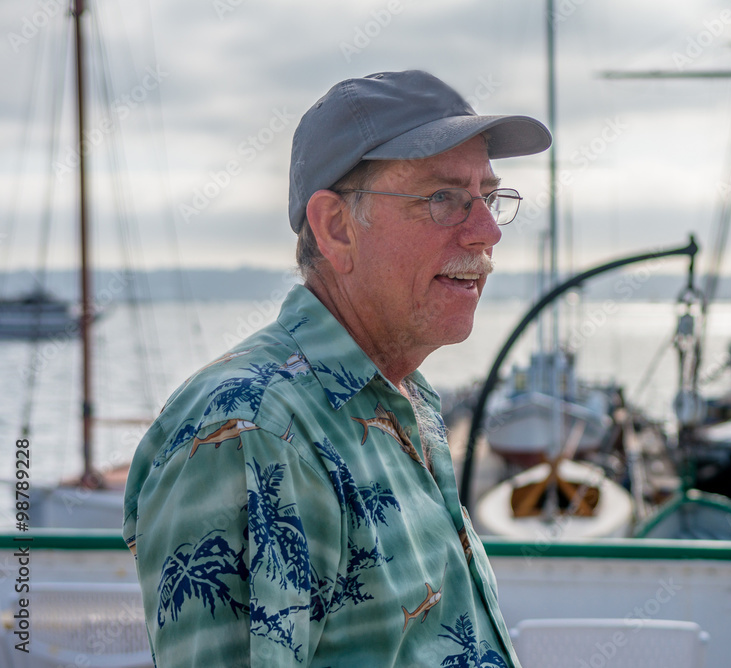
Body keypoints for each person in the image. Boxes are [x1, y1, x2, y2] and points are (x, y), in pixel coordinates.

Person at [123, 70, 550, 667]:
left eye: (488, 196)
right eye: (442, 199)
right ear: (336, 228)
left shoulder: (402, 398)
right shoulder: (253, 431)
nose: (486, 232)